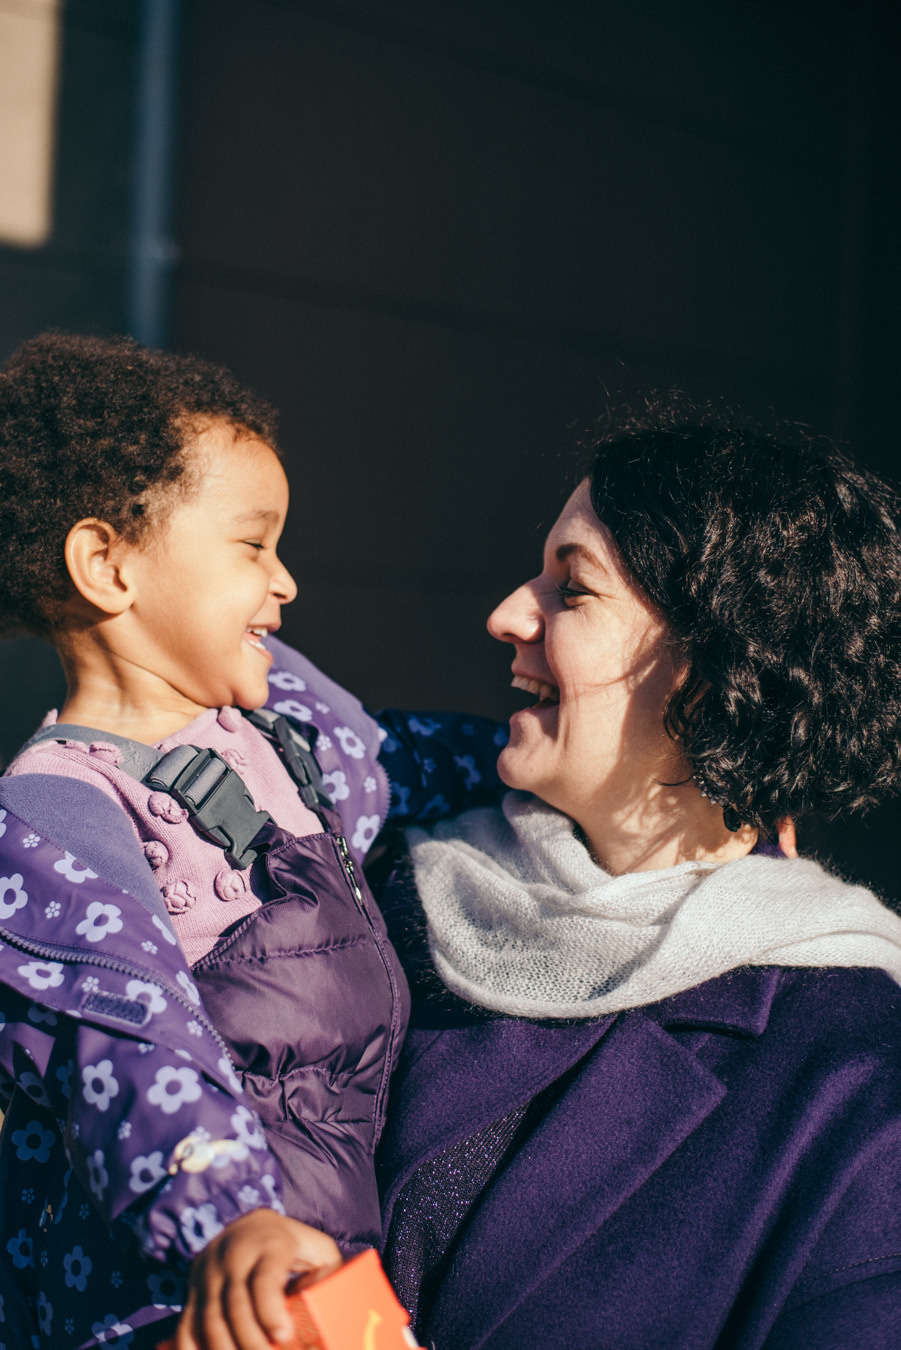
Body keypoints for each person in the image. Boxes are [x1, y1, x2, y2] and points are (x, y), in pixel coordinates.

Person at [0, 332, 504, 1350]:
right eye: (252, 544)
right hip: (187, 1303)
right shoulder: (51, 816)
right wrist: (228, 1219)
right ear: (108, 564)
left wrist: (637, 774)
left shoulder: (278, 723)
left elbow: (415, 765)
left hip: (334, 1288)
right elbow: (132, 1043)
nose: (286, 582)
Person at [375, 404, 901, 1349]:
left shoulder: (856, 1083)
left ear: (714, 669)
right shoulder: (373, 892)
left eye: (571, 591)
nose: (505, 616)